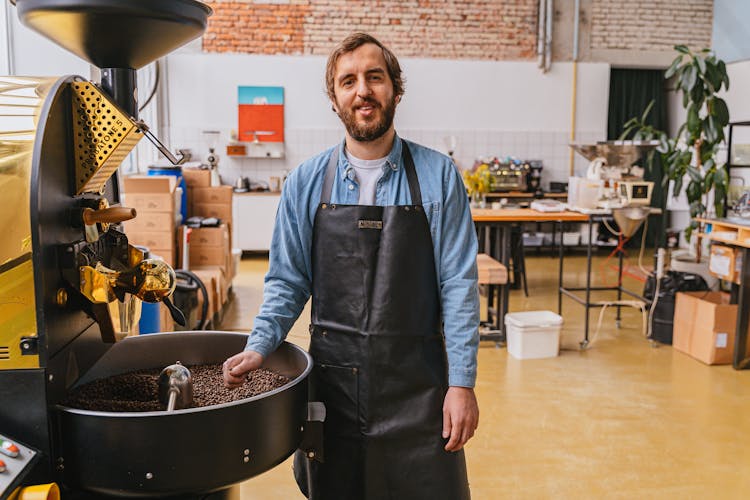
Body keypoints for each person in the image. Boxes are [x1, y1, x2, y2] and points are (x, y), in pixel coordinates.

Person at [223, 32, 480, 499]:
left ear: (395, 90)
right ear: (335, 98)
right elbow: (287, 280)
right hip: (335, 390)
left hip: (420, 389)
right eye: (348, 81)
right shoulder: (306, 182)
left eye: (374, 77)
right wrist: (260, 345)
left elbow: (459, 285)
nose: (362, 90)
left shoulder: (439, 177)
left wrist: (461, 384)